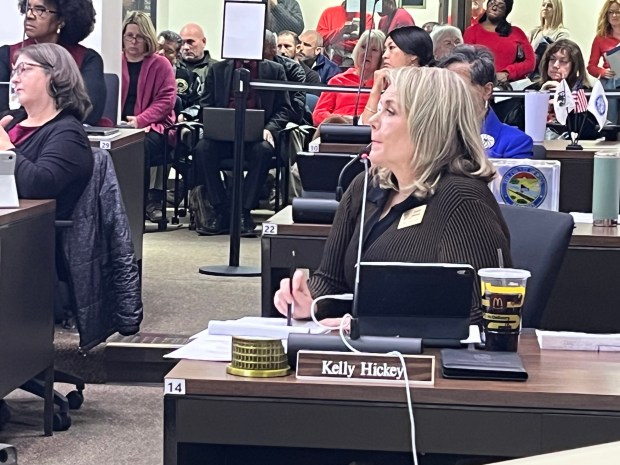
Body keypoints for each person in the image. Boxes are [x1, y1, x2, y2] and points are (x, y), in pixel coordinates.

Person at [274, 65, 511, 325]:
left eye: (390, 111)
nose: (373, 120)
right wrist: (308, 301)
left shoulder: (463, 200)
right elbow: (331, 281)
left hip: (427, 363)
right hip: (365, 359)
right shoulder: (366, 185)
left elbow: (484, 316)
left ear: (427, 124)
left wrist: (370, 327)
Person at [192, 52, 292, 237]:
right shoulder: (218, 69)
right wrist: (216, 122)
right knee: (202, 149)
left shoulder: (274, 70)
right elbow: (205, 104)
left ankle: (243, 211)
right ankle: (220, 208)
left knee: (263, 151)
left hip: (256, 137)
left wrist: (270, 128)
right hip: (223, 137)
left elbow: (284, 108)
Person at [0, 43, 93, 220]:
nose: (14, 79)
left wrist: (5, 148)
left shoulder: (69, 133)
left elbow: (40, 185)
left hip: (30, 233)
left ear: (54, 75)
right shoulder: (13, 121)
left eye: (24, 69)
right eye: (14, 71)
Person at [0, 0, 106, 126]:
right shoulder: (6, 54)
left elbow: (89, 112)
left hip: (64, 133)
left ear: (61, 20)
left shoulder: (87, 59)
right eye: (28, 8)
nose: (29, 15)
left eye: (40, 10)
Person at [121, 12, 176, 223]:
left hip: (154, 127)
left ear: (148, 39)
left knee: (136, 148)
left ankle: (136, 210)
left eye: (140, 36)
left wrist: (140, 121)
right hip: (118, 126)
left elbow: (166, 101)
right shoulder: (113, 60)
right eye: (129, 36)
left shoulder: (161, 64)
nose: (134, 41)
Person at [438, 44, 533, 159]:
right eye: (445, 85)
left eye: (459, 85)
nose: (449, 91)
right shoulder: (429, 134)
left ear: (487, 90)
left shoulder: (514, 142)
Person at [312, 29, 385, 126]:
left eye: (374, 50)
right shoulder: (337, 80)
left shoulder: (384, 85)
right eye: (363, 47)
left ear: (382, 56)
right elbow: (318, 114)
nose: (367, 53)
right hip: (338, 131)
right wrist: (342, 120)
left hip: (371, 133)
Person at [361, 26, 433, 122]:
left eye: (391, 48)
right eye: (384, 50)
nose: (384, 56)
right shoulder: (394, 84)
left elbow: (369, 126)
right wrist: (376, 90)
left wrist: (376, 91)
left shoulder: (426, 86)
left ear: (413, 55)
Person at [464, 0, 536, 83]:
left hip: (508, 87)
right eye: (492, 3)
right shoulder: (471, 31)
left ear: (506, 10)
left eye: (500, 5)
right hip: (478, 84)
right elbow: (466, 61)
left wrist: (507, 73)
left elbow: (531, 62)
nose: (494, 7)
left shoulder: (517, 33)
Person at [588, 0, 620, 125]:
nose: (614, 16)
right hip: (611, 79)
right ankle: (609, 126)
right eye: (610, 12)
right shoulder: (601, 38)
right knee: (610, 83)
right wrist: (602, 72)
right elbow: (591, 66)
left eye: (618, 12)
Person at [177, 23, 217, 121]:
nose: (186, 47)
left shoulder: (217, 69)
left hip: (204, 121)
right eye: (182, 43)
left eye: (191, 42)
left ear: (203, 41)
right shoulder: (171, 67)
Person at [316, 1, 374, 67]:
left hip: (356, 66)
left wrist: (335, 43)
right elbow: (319, 40)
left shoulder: (367, 17)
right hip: (329, 66)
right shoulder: (328, 13)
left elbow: (364, 44)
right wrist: (341, 31)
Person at [529, 0, 569, 79]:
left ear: (557, 9)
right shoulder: (534, 32)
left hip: (547, 76)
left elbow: (559, 57)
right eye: (543, 5)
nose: (545, 8)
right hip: (531, 75)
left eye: (549, 6)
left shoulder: (562, 33)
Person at [157, 30, 194, 111]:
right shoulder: (144, 71)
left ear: (177, 56)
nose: (161, 53)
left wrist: (184, 115)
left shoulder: (187, 76)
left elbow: (196, 105)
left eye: (168, 51)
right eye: (159, 47)